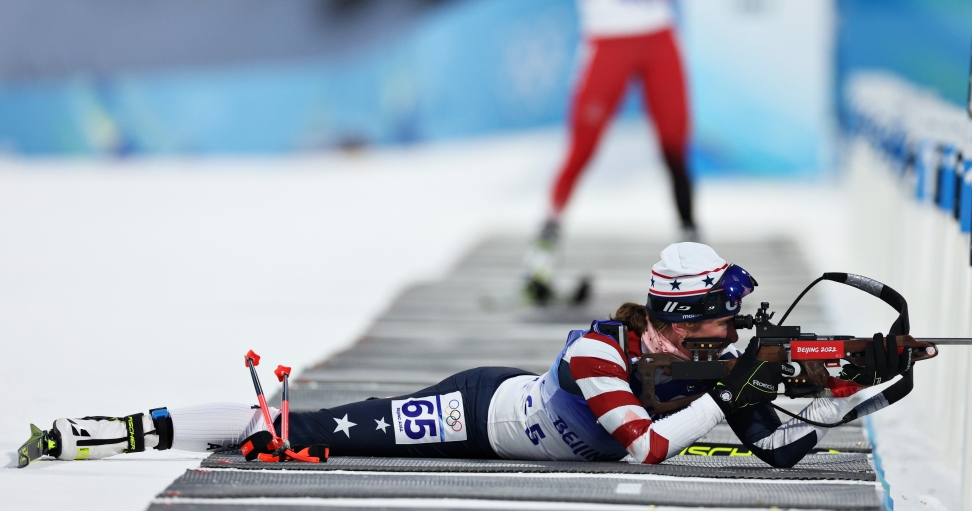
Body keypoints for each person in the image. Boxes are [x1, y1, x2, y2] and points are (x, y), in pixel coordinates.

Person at [25, 243, 911, 468]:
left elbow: (786, 438)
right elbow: (646, 447)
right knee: (309, 433)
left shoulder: (702, 363)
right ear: (685, 319)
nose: (732, 332)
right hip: (476, 414)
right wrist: (727, 401)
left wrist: (856, 370)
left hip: (556, 422)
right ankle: (127, 427)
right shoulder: (598, 357)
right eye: (720, 321)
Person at [523, 0, 711, 305]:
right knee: (582, 149)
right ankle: (541, 256)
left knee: (675, 145)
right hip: (608, 41)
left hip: (656, 36)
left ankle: (696, 252)